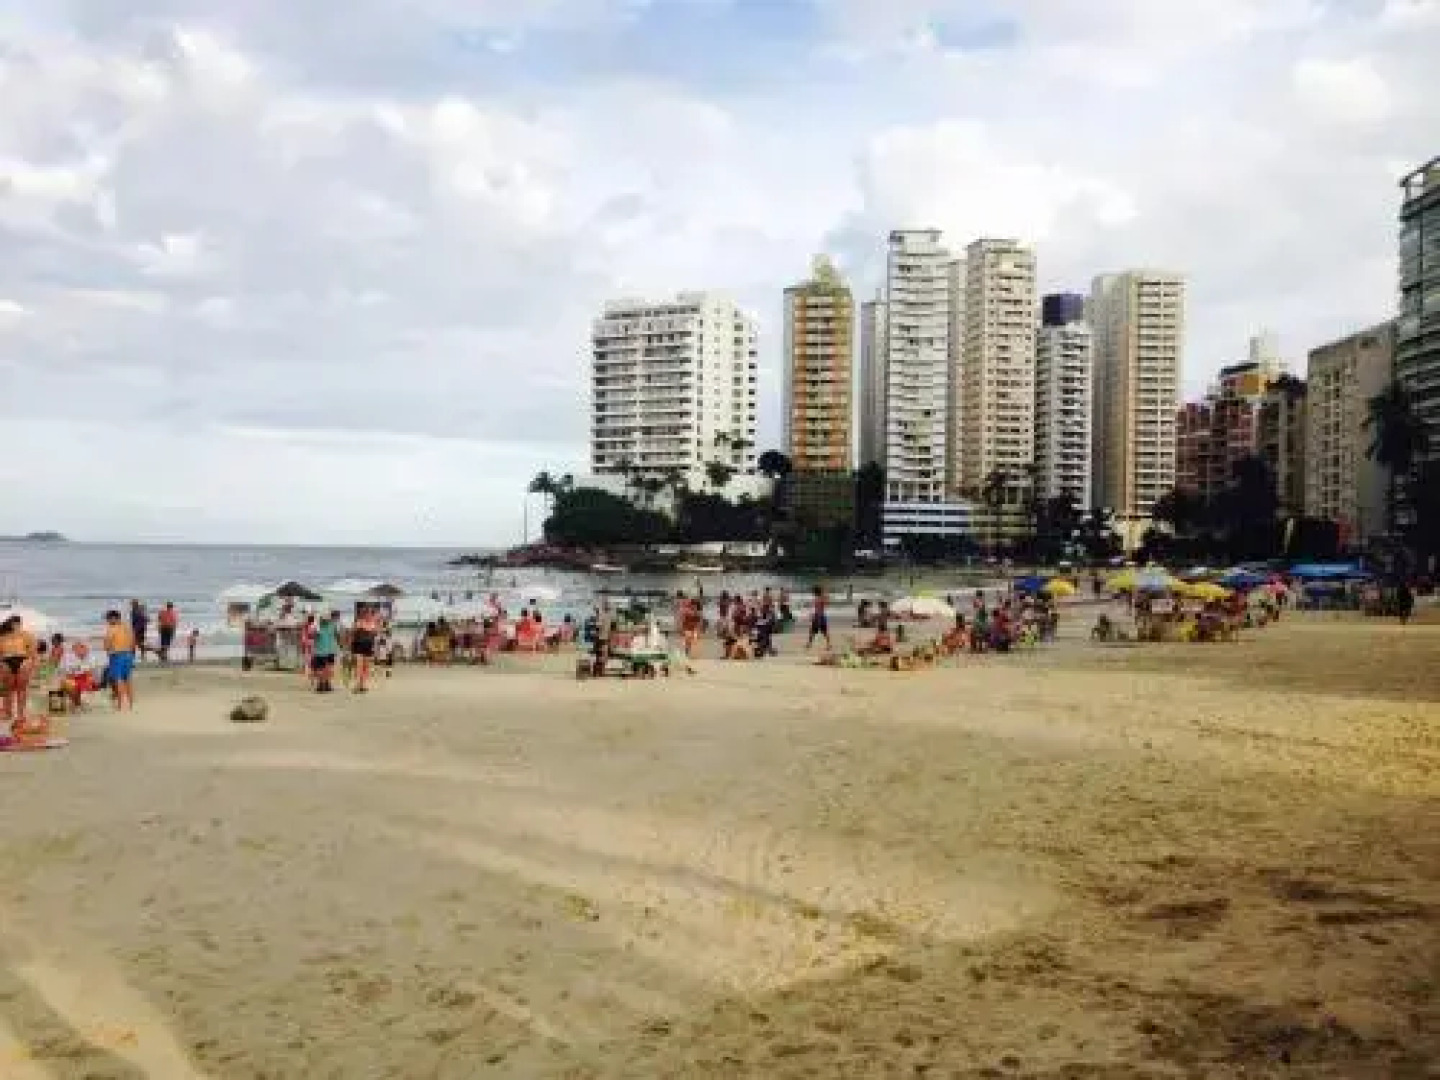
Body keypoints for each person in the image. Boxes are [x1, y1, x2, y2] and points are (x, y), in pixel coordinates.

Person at [0, 616, 38, 732]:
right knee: (8, 689)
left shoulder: (27, 635)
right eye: (14, 623)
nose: (16, 625)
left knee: (22, 688)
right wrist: (1, 663)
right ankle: (8, 712)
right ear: (10, 624)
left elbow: (33, 652)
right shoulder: (2, 636)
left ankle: (21, 714)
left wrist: (30, 663)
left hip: (23, 660)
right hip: (6, 661)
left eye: (18, 623)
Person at [103, 609, 138, 710]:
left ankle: (121, 704)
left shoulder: (111, 629)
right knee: (127, 679)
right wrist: (131, 655)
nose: (108, 621)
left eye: (108, 619)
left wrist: (108, 650)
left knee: (118, 680)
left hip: (117, 656)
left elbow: (107, 645)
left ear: (113, 618)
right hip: (128, 655)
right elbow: (133, 642)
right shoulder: (127, 628)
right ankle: (131, 704)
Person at [350, 604, 380, 692]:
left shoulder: (373, 623)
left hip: (368, 646)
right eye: (367, 613)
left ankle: (362, 684)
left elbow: (375, 634)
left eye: (370, 613)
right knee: (359, 666)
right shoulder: (359, 622)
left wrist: (376, 627)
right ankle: (357, 685)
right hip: (358, 646)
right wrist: (350, 646)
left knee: (366, 667)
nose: (369, 615)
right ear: (364, 614)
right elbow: (352, 634)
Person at [311, 613, 339, 693]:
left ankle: (322, 684)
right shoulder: (332, 625)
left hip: (322, 650)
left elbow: (313, 636)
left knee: (322, 668)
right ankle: (326, 684)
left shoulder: (319, 626)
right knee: (327, 668)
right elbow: (337, 636)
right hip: (328, 650)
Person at [806, 585, 830, 650]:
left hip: (818, 616)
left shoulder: (818, 599)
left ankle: (809, 644)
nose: (812, 593)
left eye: (813, 591)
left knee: (813, 631)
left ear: (815, 592)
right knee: (824, 632)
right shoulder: (821, 598)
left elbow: (819, 608)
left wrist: (814, 616)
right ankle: (828, 644)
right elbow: (826, 603)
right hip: (821, 616)